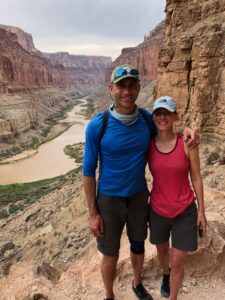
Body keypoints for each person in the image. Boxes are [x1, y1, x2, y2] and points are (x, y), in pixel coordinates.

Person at [82, 64, 198, 300]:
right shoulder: (98, 125)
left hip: (137, 197)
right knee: (110, 254)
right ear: (110, 88)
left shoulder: (146, 119)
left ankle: (137, 283)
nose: (127, 91)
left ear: (138, 88)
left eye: (132, 85)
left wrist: (190, 132)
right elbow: (87, 171)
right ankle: (108, 295)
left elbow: (167, 133)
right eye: (121, 85)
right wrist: (93, 213)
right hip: (109, 200)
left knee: (138, 245)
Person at [147, 96, 207, 300]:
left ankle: (172, 297)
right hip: (157, 209)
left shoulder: (187, 143)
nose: (162, 117)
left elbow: (196, 178)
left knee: (177, 260)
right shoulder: (148, 144)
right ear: (154, 117)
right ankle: (166, 276)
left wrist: (201, 211)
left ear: (175, 116)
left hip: (184, 210)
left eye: (167, 113)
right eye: (158, 113)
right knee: (162, 250)